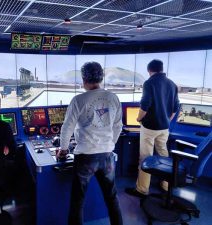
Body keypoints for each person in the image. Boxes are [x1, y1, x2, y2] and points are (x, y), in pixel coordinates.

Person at [57, 62, 123, 225]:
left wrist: (63, 150)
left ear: (84, 78)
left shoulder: (78, 100)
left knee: (78, 201)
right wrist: (109, 144)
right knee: (112, 197)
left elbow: (67, 128)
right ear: (100, 77)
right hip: (107, 156)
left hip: (86, 157)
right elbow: (118, 126)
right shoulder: (113, 98)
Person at [125, 59, 180, 198]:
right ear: (161, 69)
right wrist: (168, 120)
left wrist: (138, 118)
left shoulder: (149, 83)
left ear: (149, 70)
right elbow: (175, 107)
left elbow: (145, 105)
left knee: (145, 157)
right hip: (164, 128)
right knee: (163, 155)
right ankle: (166, 185)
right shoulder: (172, 84)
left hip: (149, 127)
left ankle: (142, 189)